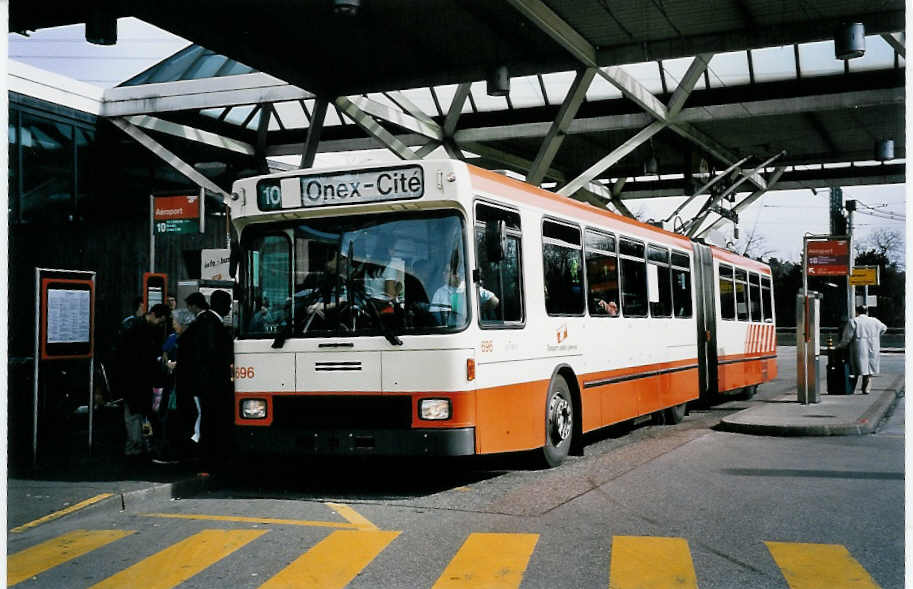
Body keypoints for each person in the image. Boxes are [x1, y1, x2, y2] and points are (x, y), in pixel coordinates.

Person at [175, 292, 233, 468]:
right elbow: (210, 356)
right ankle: (207, 460)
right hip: (209, 385)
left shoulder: (205, 322)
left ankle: (207, 458)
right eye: (228, 304)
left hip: (203, 384)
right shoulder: (210, 323)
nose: (230, 308)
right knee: (206, 420)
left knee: (206, 420)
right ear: (221, 305)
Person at [114, 303, 170, 464]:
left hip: (137, 380)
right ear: (152, 314)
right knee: (135, 415)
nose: (160, 322)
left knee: (137, 415)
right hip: (135, 379)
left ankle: (138, 447)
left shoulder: (137, 326)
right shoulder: (137, 328)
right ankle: (135, 448)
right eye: (159, 319)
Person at [839, 306, 888, 394]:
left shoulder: (854, 321)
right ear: (867, 312)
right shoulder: (874, 321)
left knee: (856, 369)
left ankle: (852, 388)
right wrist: (876, 336)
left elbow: (847, 337)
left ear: (857, 312)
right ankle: (866, 388)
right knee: (869, 370)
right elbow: (884, 328)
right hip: (873, 346)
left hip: (859, 347)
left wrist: (840, 346)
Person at [430, 266, 498, 326]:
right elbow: (434, 316)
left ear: (457, 274)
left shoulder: (470, 288)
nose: (444, 274)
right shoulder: (440, 292)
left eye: (448, 271)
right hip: (448, 331)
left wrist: (479, 310)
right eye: (444, 271)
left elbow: (494, 300)